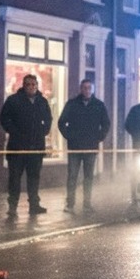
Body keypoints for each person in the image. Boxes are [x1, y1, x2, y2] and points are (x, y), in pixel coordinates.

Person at [0, 74, 53, 218]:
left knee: (34, 177)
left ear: (37, 85)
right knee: (15, 178)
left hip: (36, 147)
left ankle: (34, 205)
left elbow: (48, 118)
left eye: (34, 84)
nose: (31, 87)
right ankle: (13, 206)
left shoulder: (42, 101)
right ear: (23, 85)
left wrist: (44, 130)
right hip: (17, 148)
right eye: (28, 84)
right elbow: (4, 118)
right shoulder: (13, 100)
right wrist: (15, 132)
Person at [59, 79, 110, 213]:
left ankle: (87, 204)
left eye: (89, 88)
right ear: (80, 89)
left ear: (92, 90)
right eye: (84, 88)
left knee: (88, 177)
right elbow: (61, 122)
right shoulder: (72, 104)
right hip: (75, 147)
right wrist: (69, 136)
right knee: (72, 176)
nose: (87, 90)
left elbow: (106, 124)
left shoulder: (99, 105)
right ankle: (70, 204)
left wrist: (99, 137)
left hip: (91, 147)